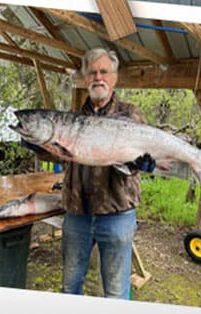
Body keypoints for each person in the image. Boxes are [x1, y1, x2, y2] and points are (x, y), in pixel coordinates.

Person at [60, 47, 147, 299]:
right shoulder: (72, 117)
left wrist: (142, 163)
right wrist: (40, 145)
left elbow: (141, 158)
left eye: (104, 72)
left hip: (117, 215)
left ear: (114, 77)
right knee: (69, 285)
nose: (98, 77)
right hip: (77, 213)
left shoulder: (131, 114)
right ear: (85, 78)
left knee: (116, 292)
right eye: (92, 72)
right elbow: (58, 155)